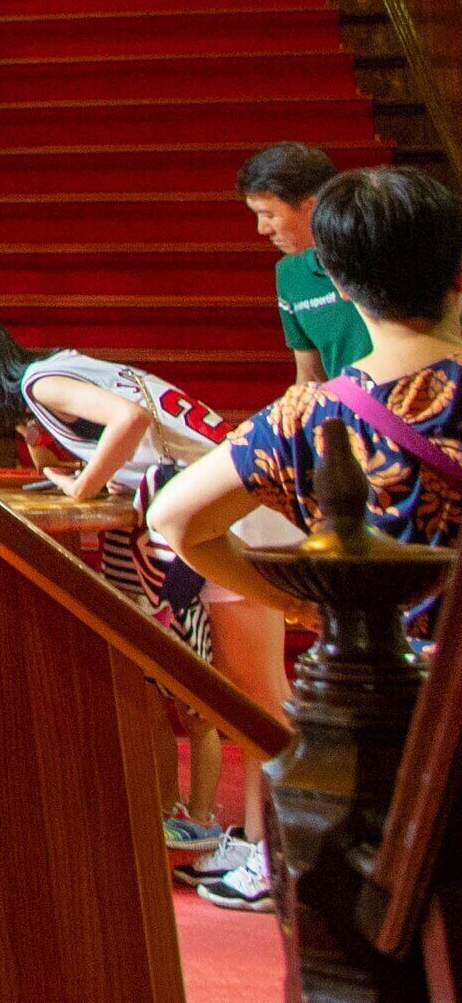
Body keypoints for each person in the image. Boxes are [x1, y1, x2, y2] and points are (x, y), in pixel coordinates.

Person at [152, 166, 462, 913]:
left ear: (344, 289)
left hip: (397, 722)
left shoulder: (306, 420)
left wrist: (306, 610)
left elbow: (174, 520)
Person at [0, 313, 290, 891]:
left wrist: (84, 483)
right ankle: (259, 843)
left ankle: (274, 855)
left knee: (257, 697)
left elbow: (132, 417)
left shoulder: (40, 383)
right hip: (226, 505)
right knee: (251, 693)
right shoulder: (50, 382)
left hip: (234, 512)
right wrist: (46, 451)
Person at [242, 141, 367, 382]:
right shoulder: (290, 273)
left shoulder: (380, 251)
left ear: (312, 207)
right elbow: (310, 376)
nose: (261, 229)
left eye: (269, 215)